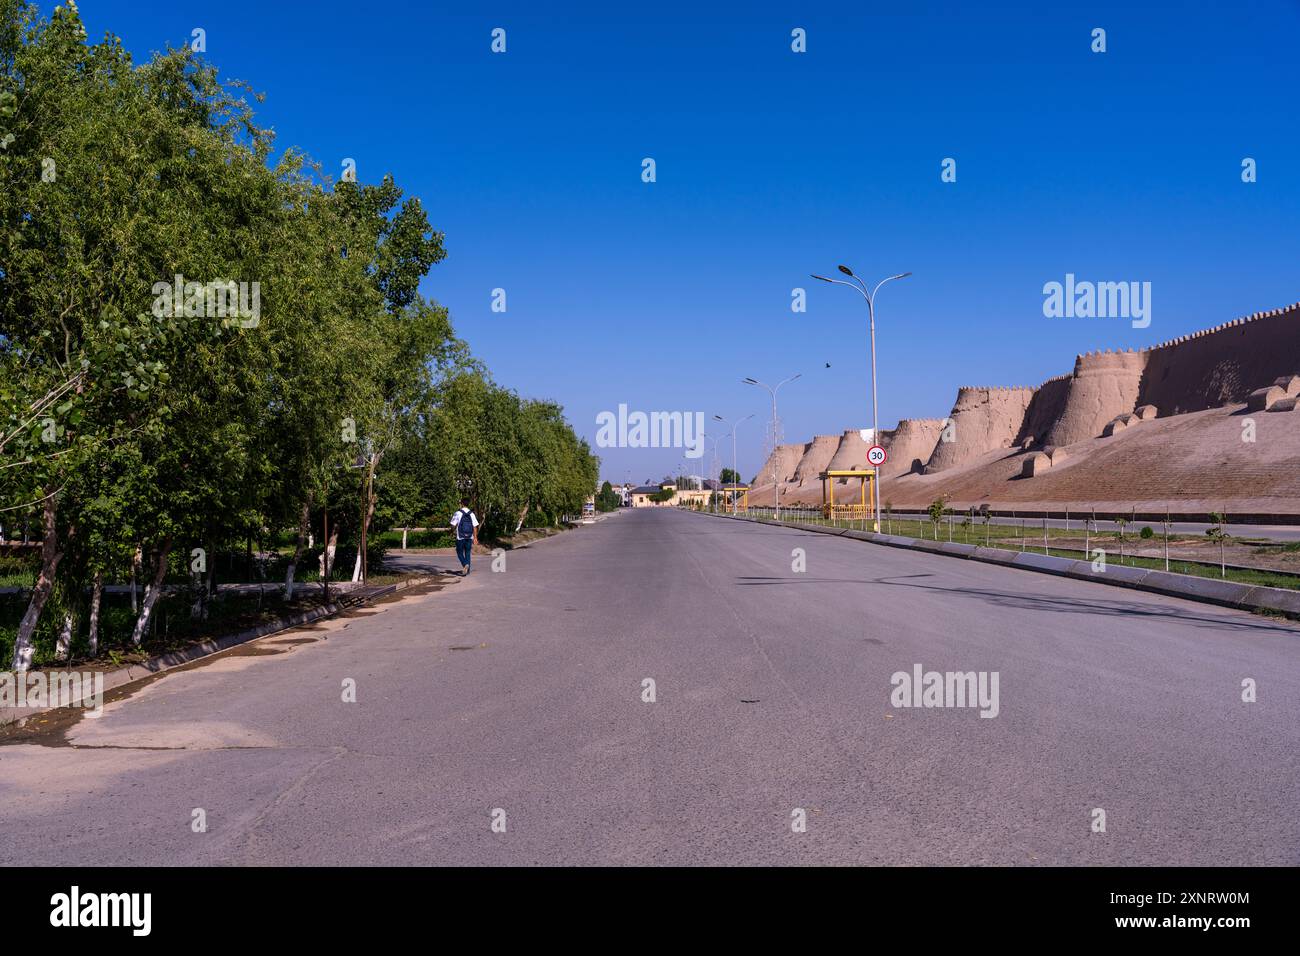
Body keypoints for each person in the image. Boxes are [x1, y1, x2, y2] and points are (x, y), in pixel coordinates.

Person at [450, 498, 479, 575]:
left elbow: (453, 524)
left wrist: (452, 531)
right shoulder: (471, 514)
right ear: (468, 504)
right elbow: (475, 526)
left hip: (460, 537)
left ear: (462, 504)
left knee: (459, 552)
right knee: (467, 553)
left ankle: (464, 564)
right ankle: (467, 571)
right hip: (469, 537)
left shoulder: (458, 513)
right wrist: (475, 537)